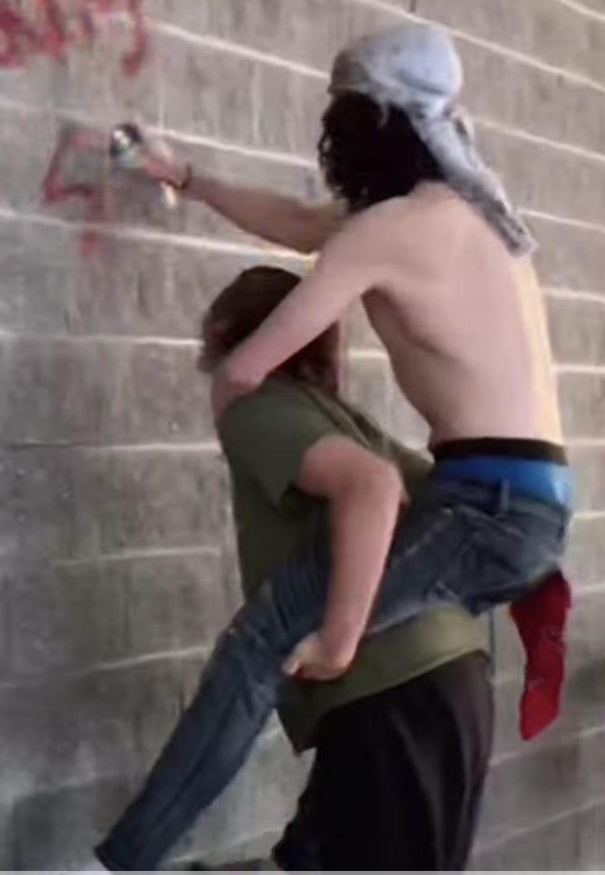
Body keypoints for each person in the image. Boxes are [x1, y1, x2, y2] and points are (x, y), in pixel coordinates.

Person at [89, 24, 574, 871]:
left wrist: (233, 387)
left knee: (267, 638)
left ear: (367, 124)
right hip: (519, 500)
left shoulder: (387, 232)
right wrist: (186, 177)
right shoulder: (465, 219)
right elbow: (296, 222)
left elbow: (262, 356)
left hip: (487, 506)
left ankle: (118, 863)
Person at [196, 266, 494, 871]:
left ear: (227, 334)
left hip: (393, 691)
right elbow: (433, 490)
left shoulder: (258, 407)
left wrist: (338, 640)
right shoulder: (339, 417)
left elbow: (373, 486)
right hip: (442, 677)